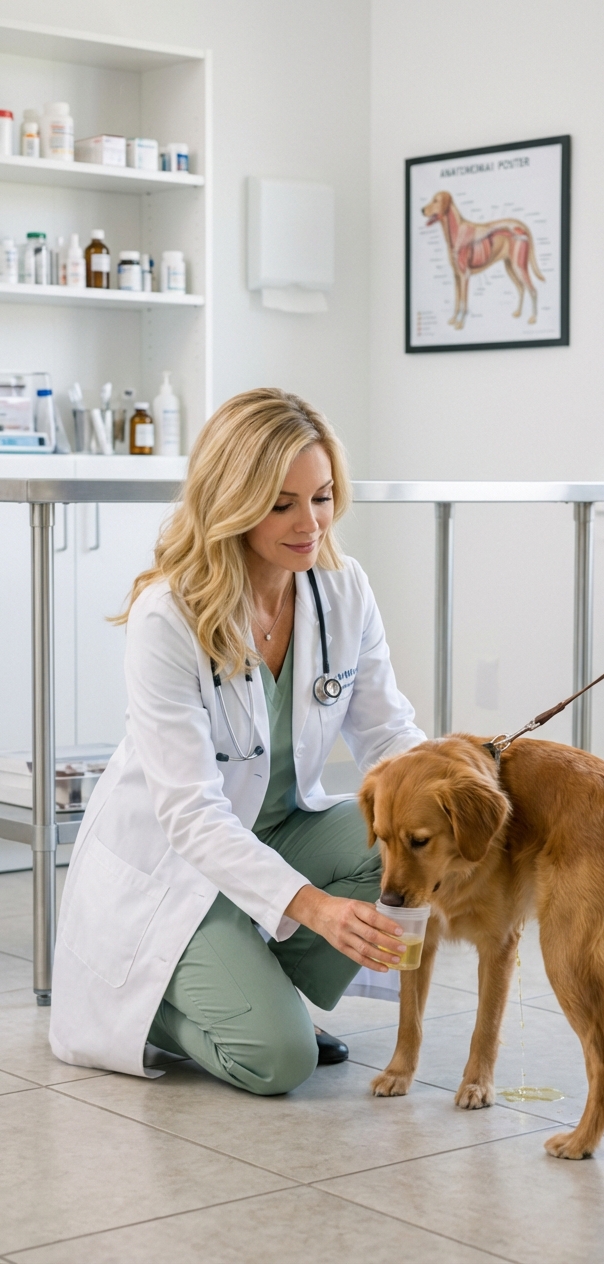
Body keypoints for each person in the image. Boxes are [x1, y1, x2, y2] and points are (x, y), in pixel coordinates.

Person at [50, 389, 426, 1095]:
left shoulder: (341, 589)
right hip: (174, 867)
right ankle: (159, 1007)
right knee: (280, 1061)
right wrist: (313, 908)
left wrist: (465, 780)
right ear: (231, 498)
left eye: (322, 496)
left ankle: (254, 987)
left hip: (278, 834)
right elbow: (191, 815)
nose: (310, 523)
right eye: (281, 503)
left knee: (403, 841)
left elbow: (388, 734)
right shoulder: (170, 614)